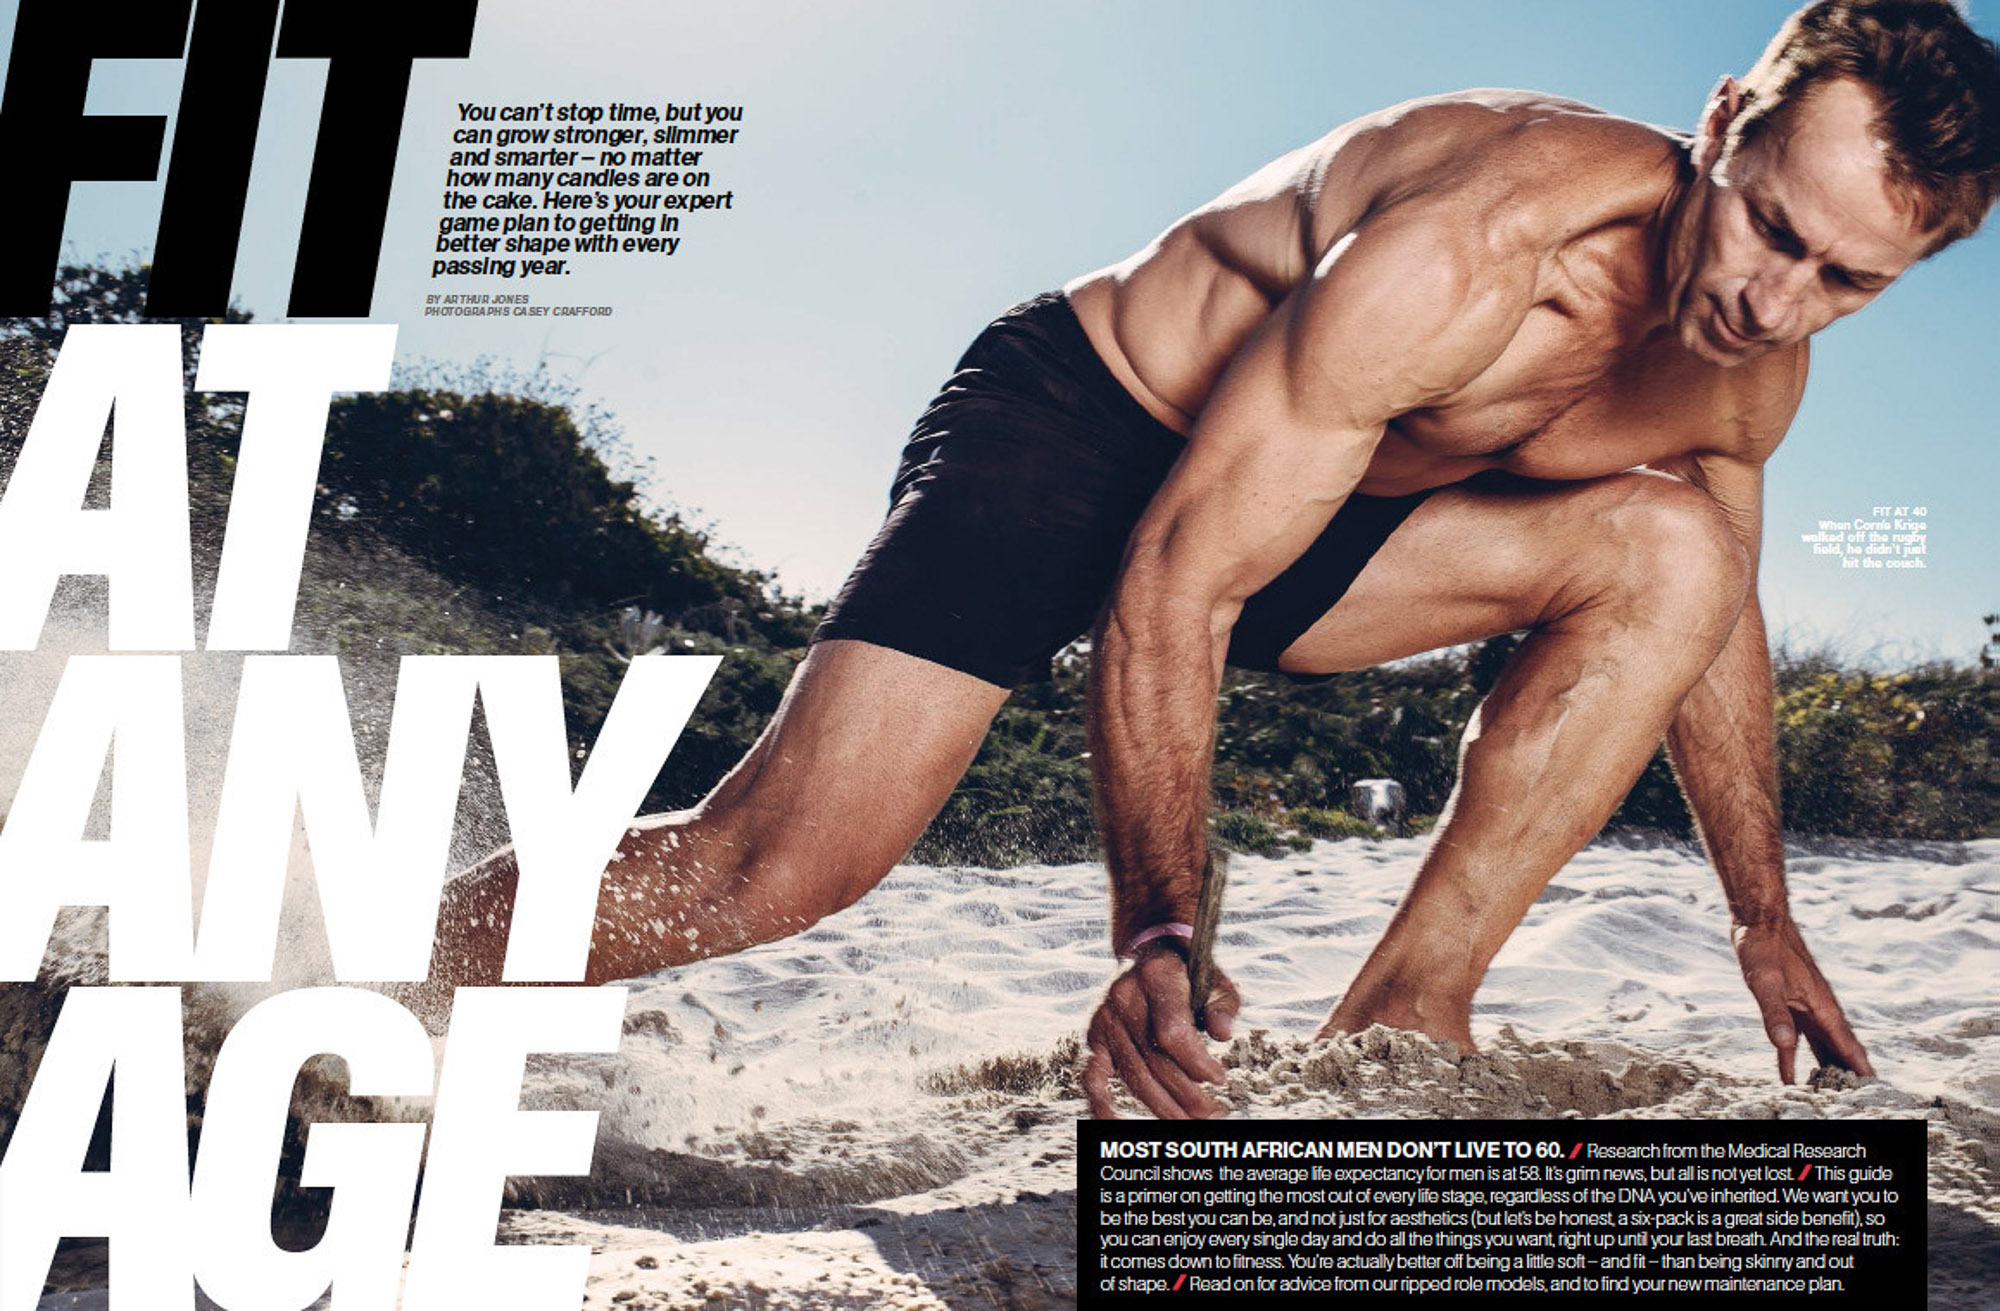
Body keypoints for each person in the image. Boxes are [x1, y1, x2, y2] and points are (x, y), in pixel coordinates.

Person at [427, 0, 2000, 1119]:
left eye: (1848, 281)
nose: (1777, 301)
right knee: (787, 861)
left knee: (1674, 544)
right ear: (1723, 126)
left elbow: (1712, 617)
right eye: (1770, 229)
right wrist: (1161, 935)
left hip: (1317, 517)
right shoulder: (1475, 249)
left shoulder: (1747, 377)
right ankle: (370, 967)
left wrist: (1761, 914)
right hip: (1088, 427)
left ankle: (1407, 1012)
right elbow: (1175, 576)